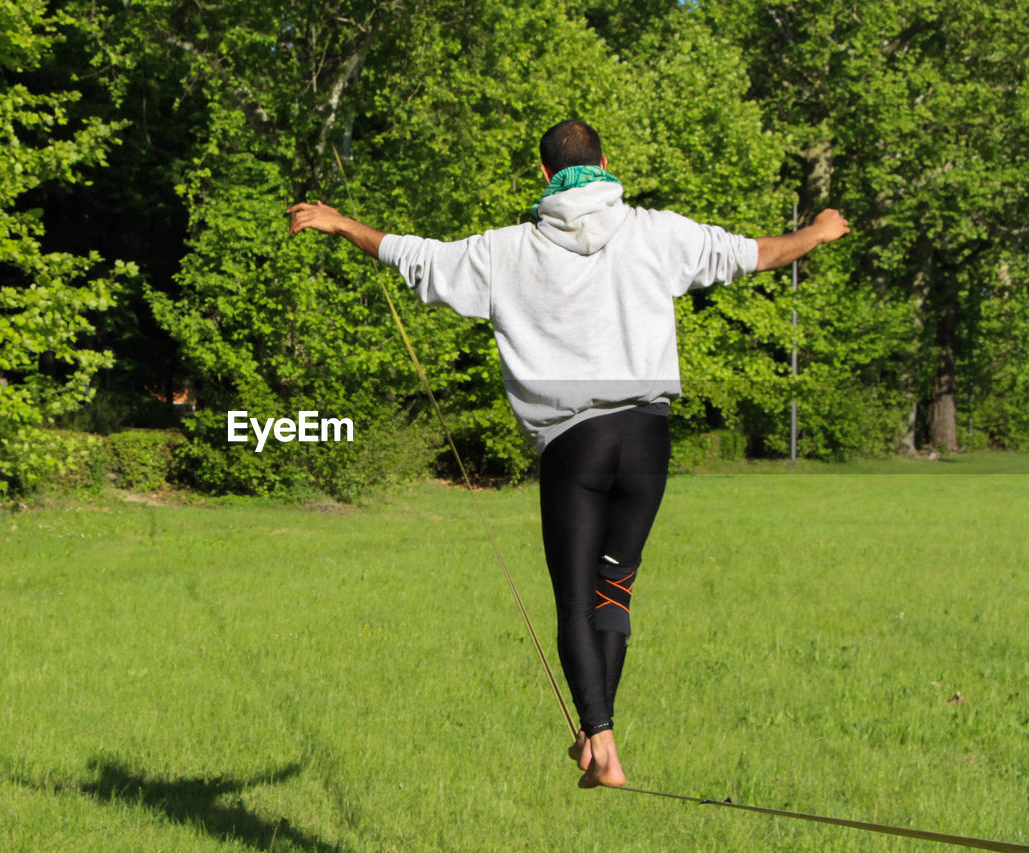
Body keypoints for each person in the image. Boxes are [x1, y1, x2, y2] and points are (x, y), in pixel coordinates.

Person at [287, 120, 849, 789]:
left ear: (541, 172)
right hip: (646, 438)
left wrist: (340, 222)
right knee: (614, 589)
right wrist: (818, 231)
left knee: (574, 603)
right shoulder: (655, 231)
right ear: (607, 165)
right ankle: (598, 740)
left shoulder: (507, 250)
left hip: (573, 444)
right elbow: (755, 254)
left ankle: (601, 740)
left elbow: (419, 259)